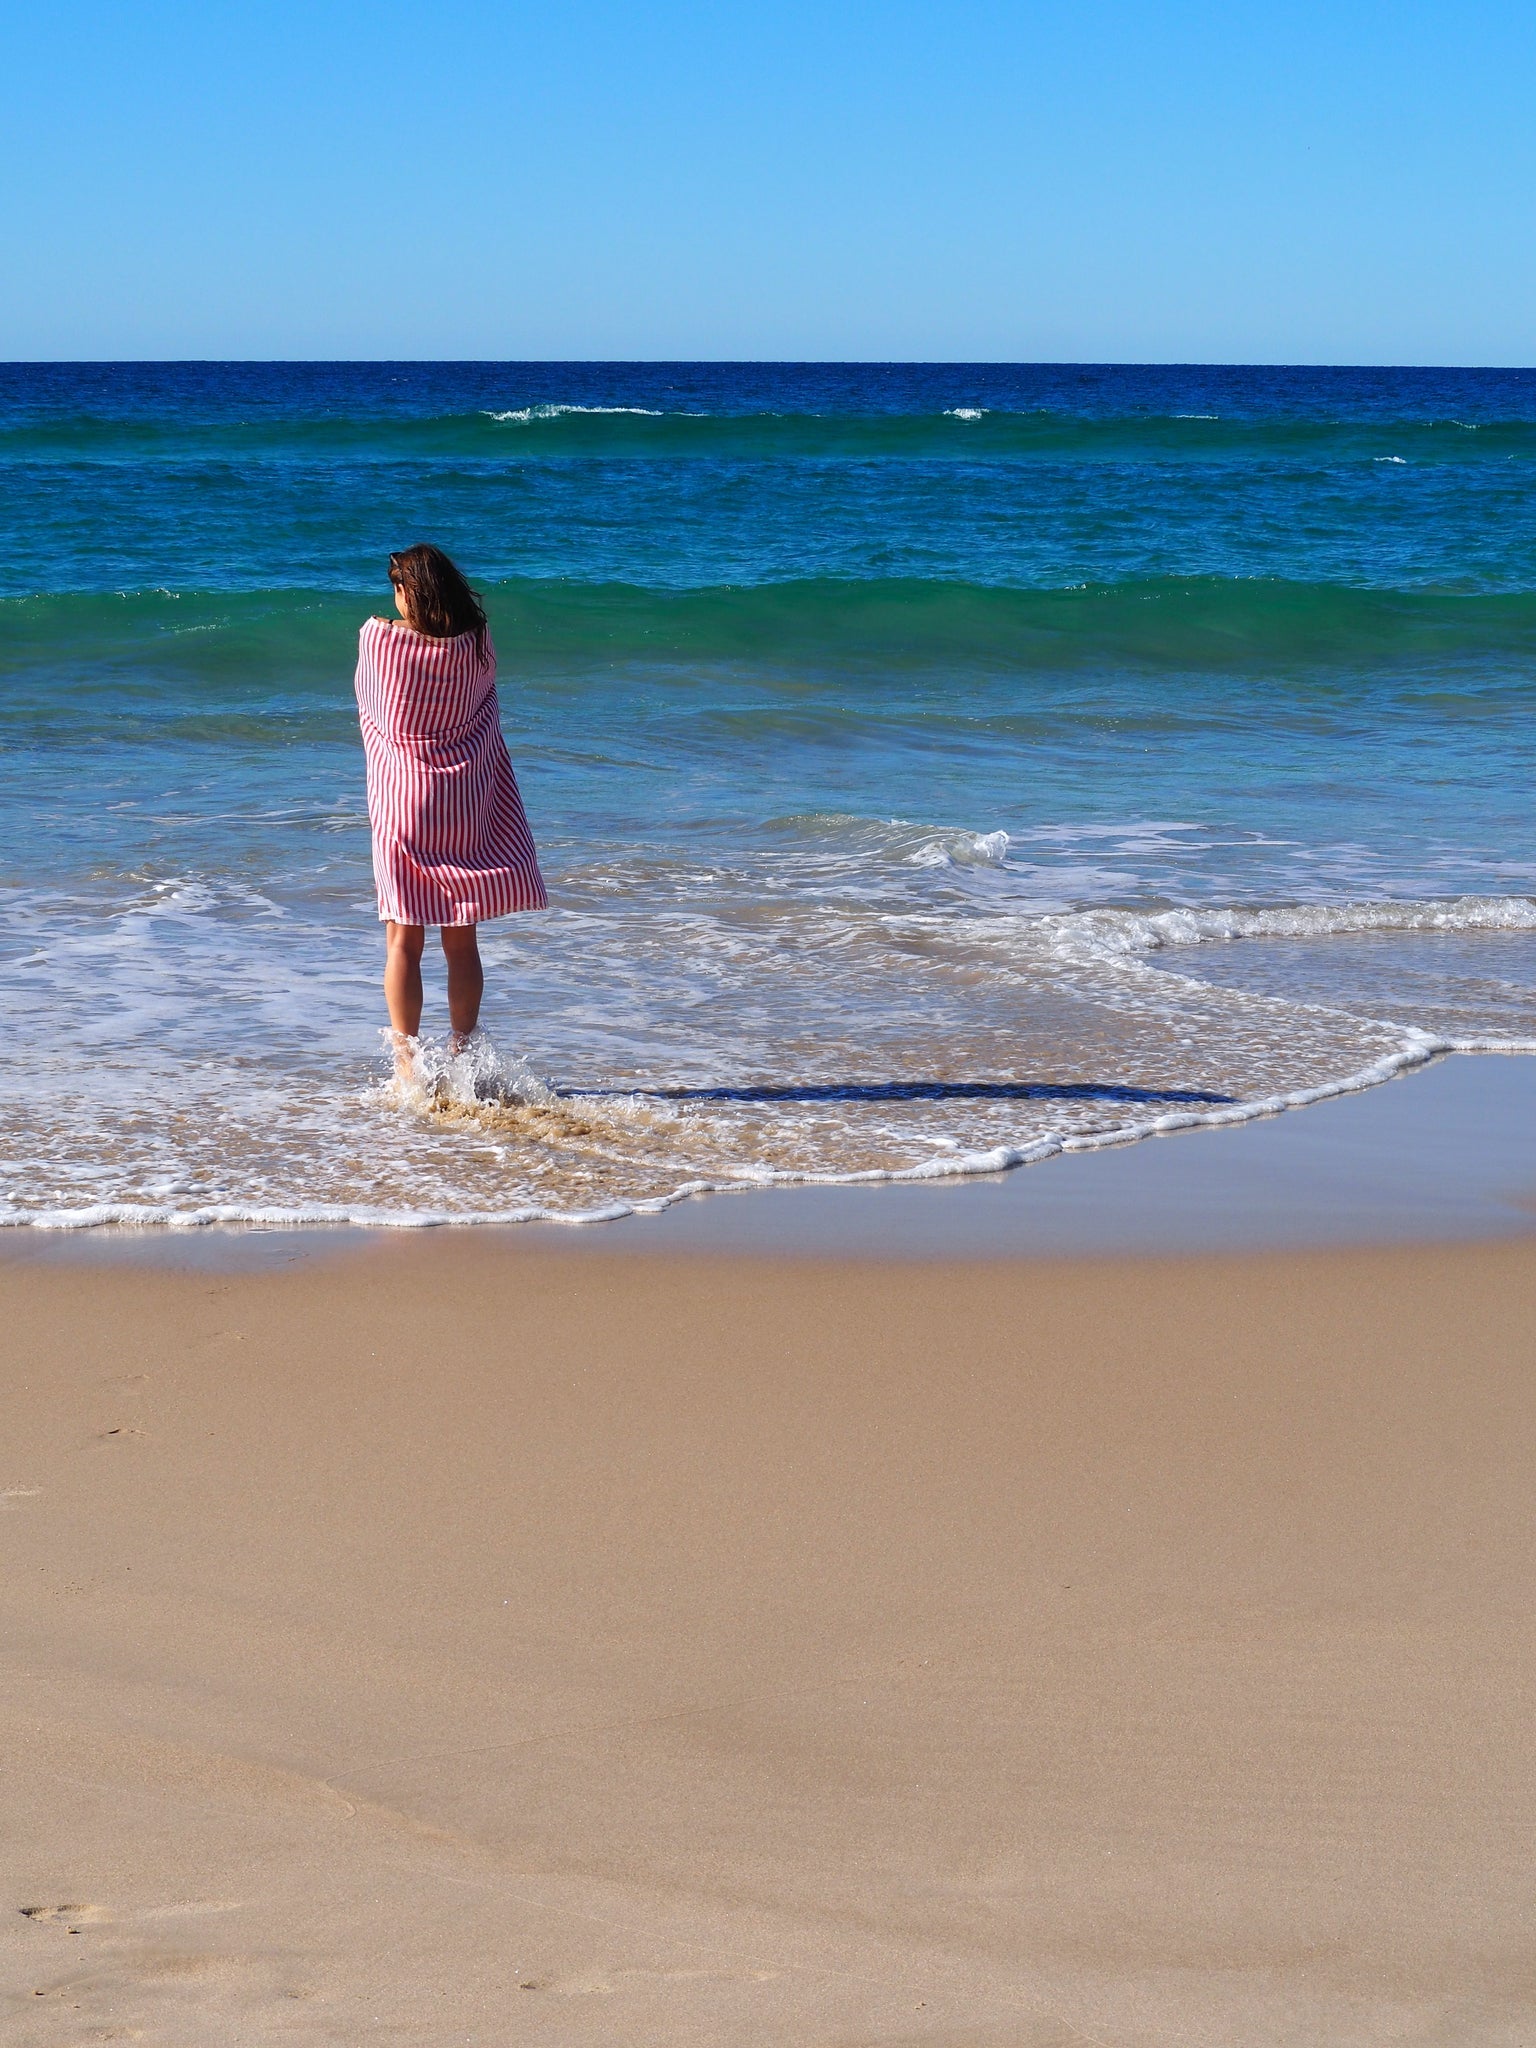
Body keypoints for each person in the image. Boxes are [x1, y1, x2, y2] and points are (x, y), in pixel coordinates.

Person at [354, 545, 546, 1075]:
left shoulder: (379, 639)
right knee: (461, 937)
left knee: (403, 938)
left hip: (405, 798)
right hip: (463, 800)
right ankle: (464, 1055)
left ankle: (407, 1067)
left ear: (407, 590)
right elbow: (488, 712)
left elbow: (373, 712)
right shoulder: (478, 644)